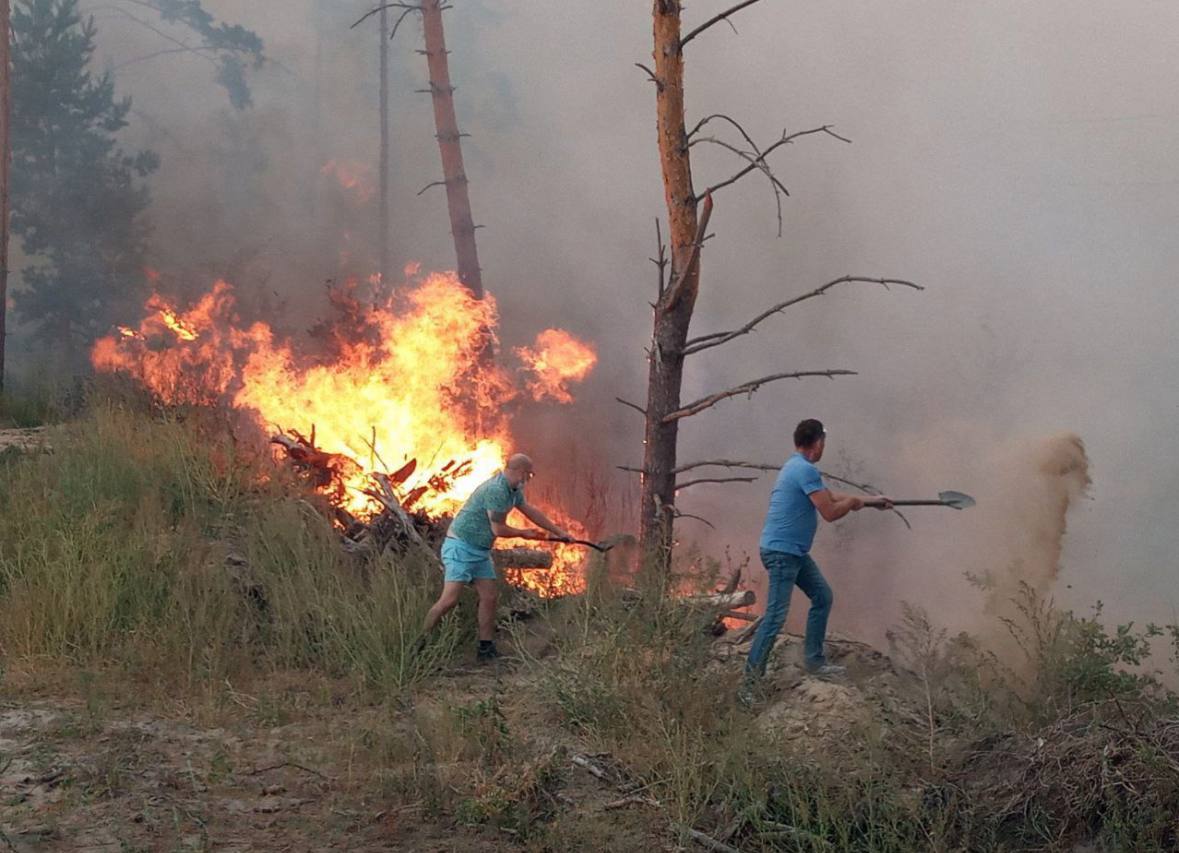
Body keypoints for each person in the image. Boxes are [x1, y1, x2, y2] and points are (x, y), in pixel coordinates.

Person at [740, 419, 891, 698]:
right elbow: (831, 512)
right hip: (782, 553)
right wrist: (852, 504)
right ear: (818, 443)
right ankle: (748, 688)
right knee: (774, 618)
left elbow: (831, 496)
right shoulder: (804, 469)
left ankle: (814, 662)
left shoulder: (797, 467)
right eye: (824, 442)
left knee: (822, 596)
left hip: (792, 552)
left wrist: (870, 501)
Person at [421, 453, 572, 661]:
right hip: (461, 548)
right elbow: (498, 529)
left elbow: (529, 510)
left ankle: (485, 648)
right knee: (449, 600)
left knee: (490, 597)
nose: (529, 478)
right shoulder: (496, 490)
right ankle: (420, 643)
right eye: (529, 474)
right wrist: (523, 533)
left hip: (480, 551)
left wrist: (558, 531)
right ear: (520, 471)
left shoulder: (513, 489)